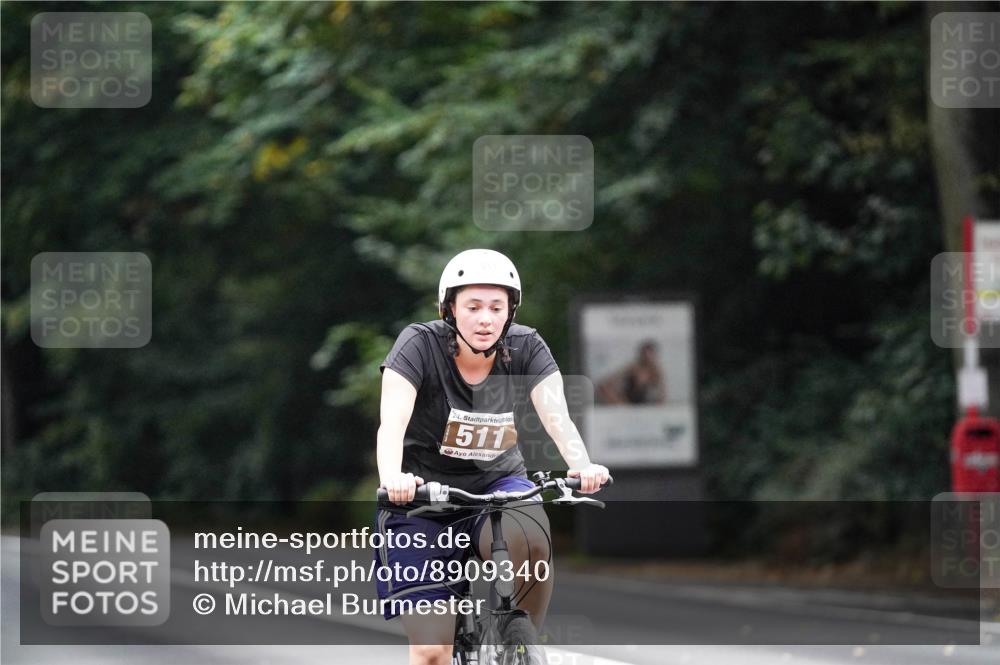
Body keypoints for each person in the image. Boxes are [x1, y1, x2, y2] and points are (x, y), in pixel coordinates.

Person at [375, 248, 610, 665]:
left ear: (510, 311)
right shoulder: (418, 345)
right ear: (449, 309)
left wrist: (581, 464)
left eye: (496, 307)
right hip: (422, 498)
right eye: (473, 306)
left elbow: (556, 416)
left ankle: (520, 644)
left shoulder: (525, 347)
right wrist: (393, 477)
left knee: (533, 537)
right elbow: (391, 423)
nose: (485, 318)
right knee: (431, 652)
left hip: (498, 484)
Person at [596, 339, 667, 405]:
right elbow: (608, 382)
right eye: (645, 354)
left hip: (643, 402)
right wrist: (618, 399)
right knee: (604, 387)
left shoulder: (656, 370)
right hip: (626, 401)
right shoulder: (633, 367)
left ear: (654, 355)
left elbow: (662, 393)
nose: (647, 357)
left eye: (650, 354)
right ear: (641, 354)